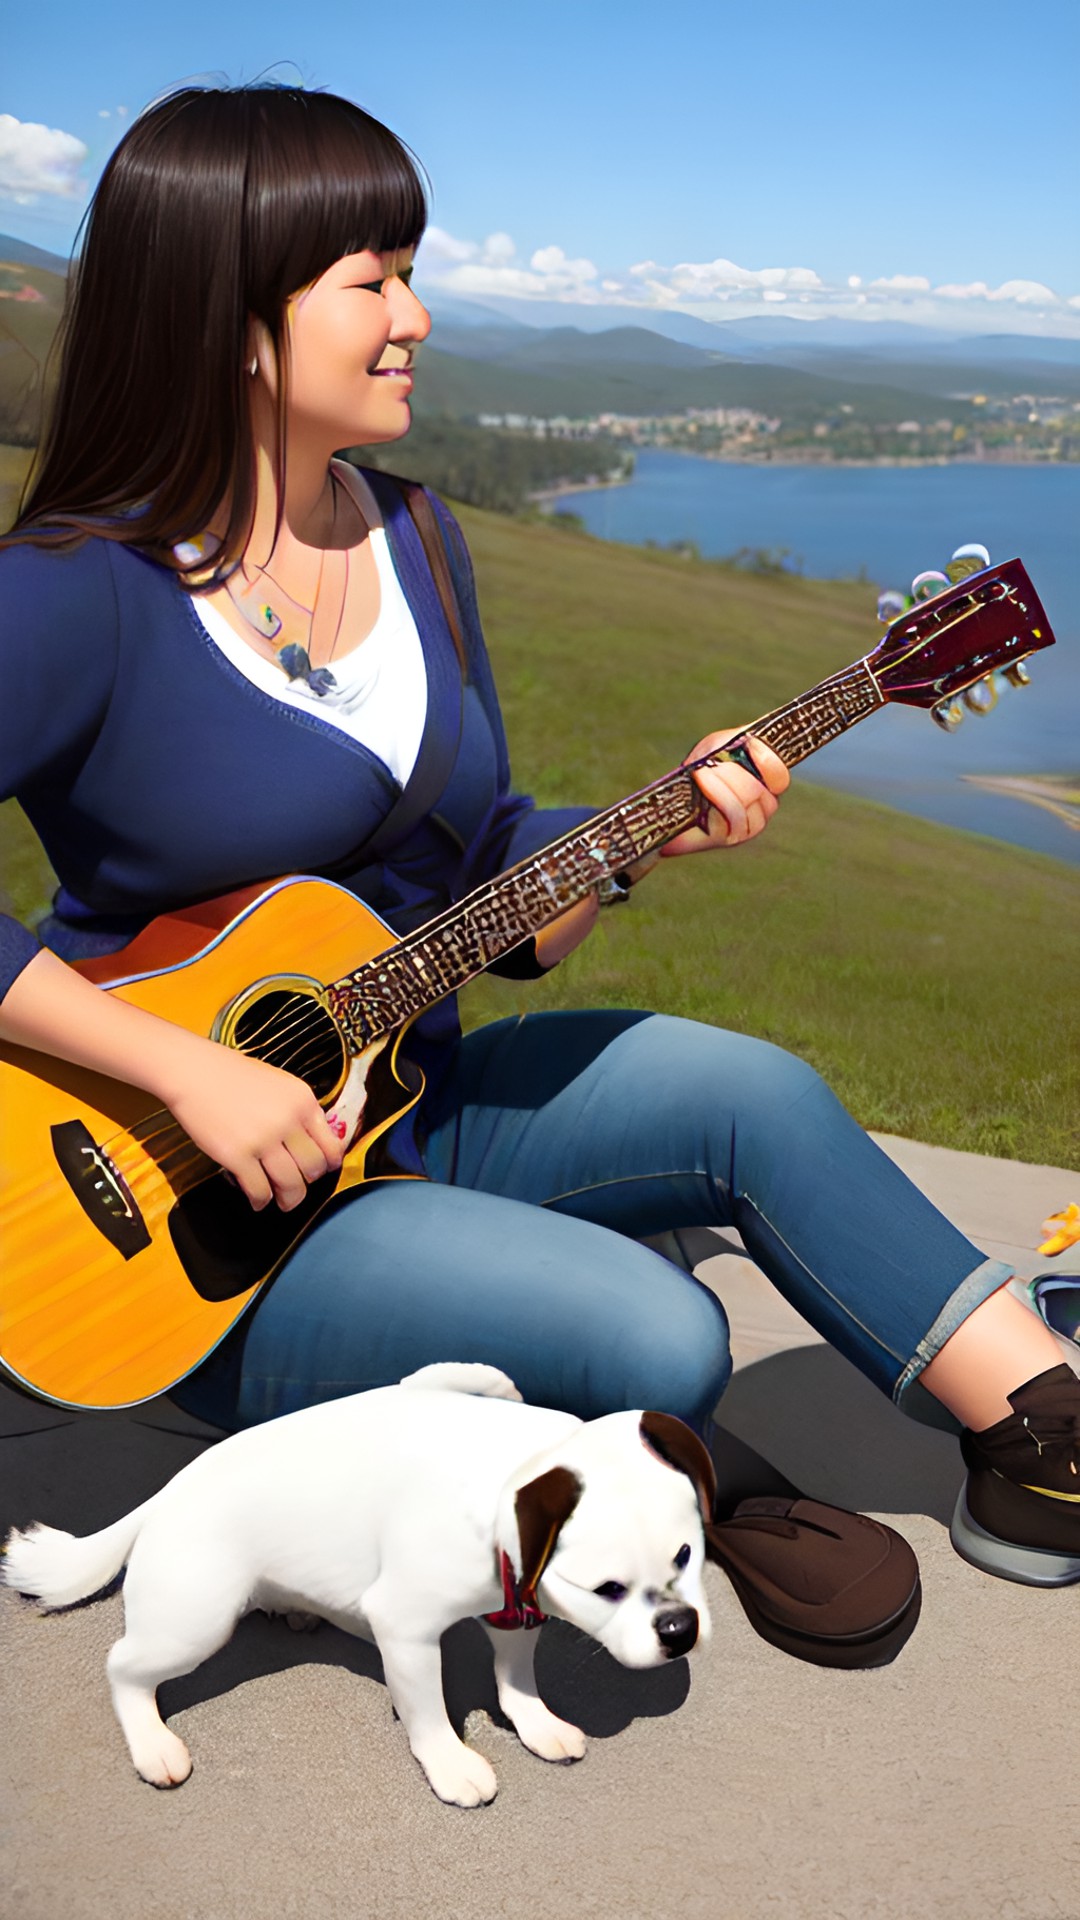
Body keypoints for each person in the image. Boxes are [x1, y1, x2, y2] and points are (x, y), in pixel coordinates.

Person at [1, 85, 1077, 1667]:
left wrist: (642, 842)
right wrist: (192, 1074)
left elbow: (493, 888)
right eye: (371, 278)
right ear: (232, 317)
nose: (415, 316)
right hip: (191, 1229)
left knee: (755, 1092)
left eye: (410, 271)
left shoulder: (418, 537)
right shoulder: (79, 589)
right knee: (661, 1331)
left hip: (407, 1109)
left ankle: (1043, 1438)